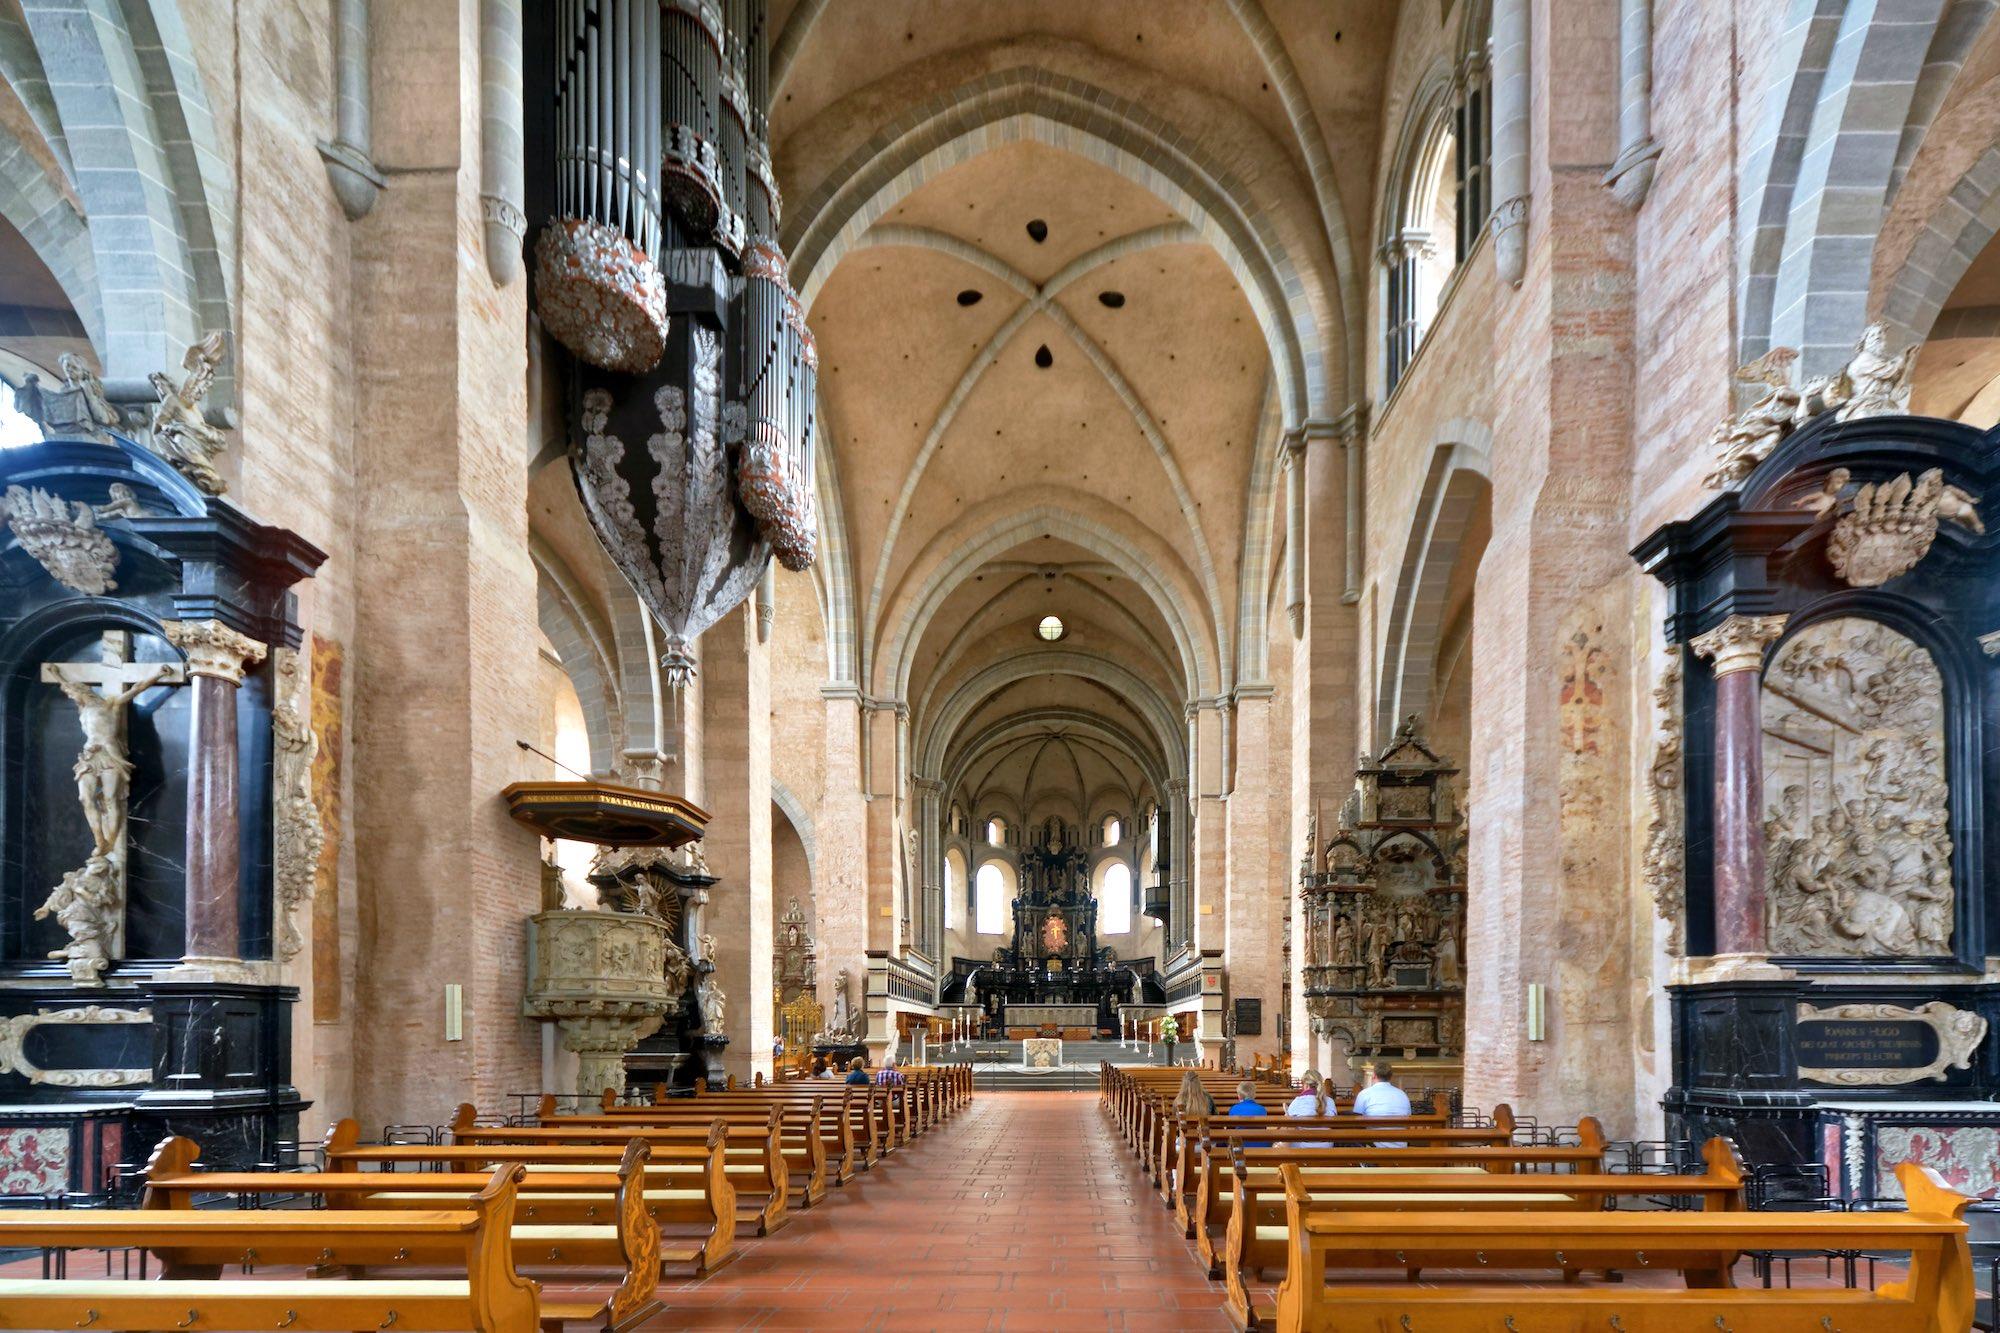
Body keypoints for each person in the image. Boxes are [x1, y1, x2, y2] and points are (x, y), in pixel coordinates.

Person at [1352, 1059, 1412, 1147]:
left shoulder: (1364, 1094)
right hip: (1400, 1145)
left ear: (1374, 1075)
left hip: (1374, 1146)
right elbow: (1408, 1120)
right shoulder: (1402, 1095)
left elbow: (1357, 1123)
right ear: (1391, 1077)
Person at [1284, 1068, 1334, 1149]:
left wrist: (1286, 1112)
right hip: (1326, 1145)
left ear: (1305, 1085)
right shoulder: (1330, 1101)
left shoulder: (1297, 1102)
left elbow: (1287, 1124)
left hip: (1302, 1145)